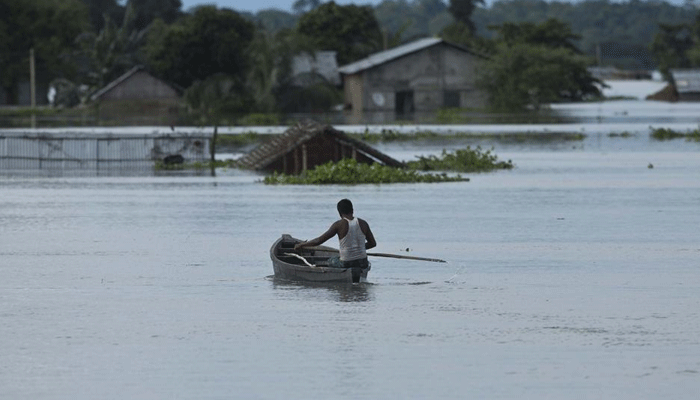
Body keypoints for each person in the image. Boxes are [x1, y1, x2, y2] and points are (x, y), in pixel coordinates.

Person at [295, 199, 376, 282]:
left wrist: (301, 245)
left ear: (339, 213)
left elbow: (318, 241)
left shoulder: (339, 224)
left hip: (346, 263)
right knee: (361, 262)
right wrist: (359, 248)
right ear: (352, 210)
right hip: (363, 262)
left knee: (331, 261)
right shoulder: (363, 223)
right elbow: (372, 243)